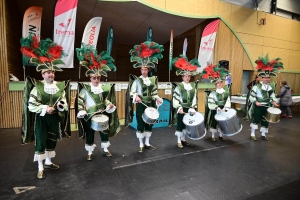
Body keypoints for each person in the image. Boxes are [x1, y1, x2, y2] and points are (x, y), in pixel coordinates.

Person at [21, 35, 70, 179]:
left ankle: (48, 162)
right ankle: (40, 166)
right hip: (41, 119)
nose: (51, 74)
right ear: (42, 74)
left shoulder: (59, 87)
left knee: (52, 139)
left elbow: (64, 103)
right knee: (41, 140)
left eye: (53, 72)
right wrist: (44, 108)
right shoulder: (38, 87)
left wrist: (60, 106)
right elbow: (31, 105)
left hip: (54, 118)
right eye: (48, 72)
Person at [75, 44, 120, 160]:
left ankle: (105, 149)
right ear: (90, 78)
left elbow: (105, 100)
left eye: (98, 78)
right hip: (90, 115)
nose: (96, 80)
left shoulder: (103, 88)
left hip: (102, 113)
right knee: (90, 133)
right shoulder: (85, 89)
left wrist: (109, 104)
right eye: (94, 78)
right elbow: (80, 101)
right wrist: (81, 110)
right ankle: (90, 152)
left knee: (104, 131)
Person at [125, 41, 164, 153]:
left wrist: (158, 98)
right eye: (142, 69)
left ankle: (147, 142)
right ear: (140, 70)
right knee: (141, 123)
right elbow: (132, 92)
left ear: (148, 70)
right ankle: (141, 144)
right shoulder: (137, 80)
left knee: (149, 123)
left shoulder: (152, 80)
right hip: (141, 104)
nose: (144, 71)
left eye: (146, 69)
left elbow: (154, 92)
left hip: (150, 103)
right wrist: (136, 96)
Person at [246, 55, 283, 141]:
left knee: (265, 120)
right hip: (258, 106)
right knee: (256, 120)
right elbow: (252, 96)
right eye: (265, 77)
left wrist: (274, 102)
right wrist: (256, 102)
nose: (267, 79)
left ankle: (263, 134)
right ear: (262, 78)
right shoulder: (256, 86)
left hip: (267, 106)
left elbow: (272, 96)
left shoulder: (271, 87)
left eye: (268, 77)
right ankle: (252, 134)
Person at [171, 54, 200, 148]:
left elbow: (195, 98)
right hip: (181, 108)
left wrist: (193, 107)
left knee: (187, 124)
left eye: (188, 76)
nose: (187, 78)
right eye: (185, 76)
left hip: (190, 108)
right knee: (180, 124)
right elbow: (175, 98)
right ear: (182, 77)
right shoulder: (179, 87)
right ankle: (179, 140)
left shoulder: (193, 87)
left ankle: (183, 139)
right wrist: (178, 107)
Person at [200, 64, 231, 142]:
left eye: (220, 83)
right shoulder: (213, 93)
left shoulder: (226, 91)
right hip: (216, 109)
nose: (220, 84)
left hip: (223, 109)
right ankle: (213, 135)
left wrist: (226, 107)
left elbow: (227, 100)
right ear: (215, 84)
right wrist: (217, 107)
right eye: (218, 83)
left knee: (222, 122)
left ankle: (221, 135)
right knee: (214, 122)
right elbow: (211, 101)